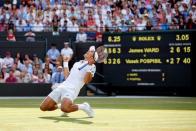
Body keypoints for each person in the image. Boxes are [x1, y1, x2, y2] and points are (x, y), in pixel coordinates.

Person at [40, 46, 98, 118]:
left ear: (92, 58)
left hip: (72, 90)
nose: (88, 51)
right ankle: (62, 105)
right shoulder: (77, 63)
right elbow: (67, 76)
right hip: (63, 86)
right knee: (43, 107)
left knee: (65, 108)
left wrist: (89, 67)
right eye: (89, 51)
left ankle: (83, 106)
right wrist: (65, 63)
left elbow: (86, 81)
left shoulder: (92, 67)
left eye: (91, 52)